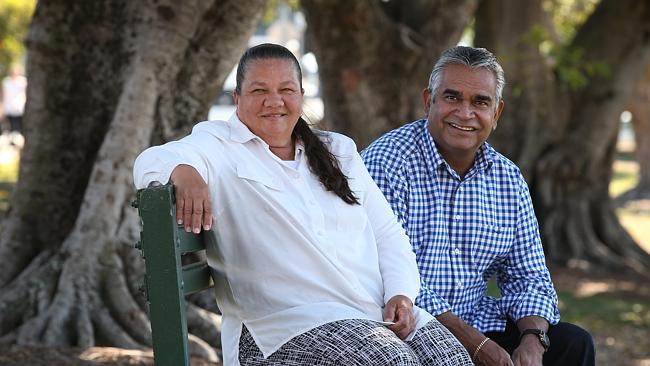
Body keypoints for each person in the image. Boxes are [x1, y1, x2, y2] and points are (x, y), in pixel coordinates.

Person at [134, 43, 472, 366]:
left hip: (367, 311)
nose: (274, 101)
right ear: (237, 98)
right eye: (258, 91)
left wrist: (401, 294)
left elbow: (387, 234)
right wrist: (184, 171)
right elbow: (151, 161)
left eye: (286, 90)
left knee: (451, 358)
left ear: (300, 96)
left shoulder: (337, 151)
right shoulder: (218, 145)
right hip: (278, 328)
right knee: (390, 360)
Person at [361, 46, 595, 366]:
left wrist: (533, 341)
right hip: (405, 324)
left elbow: (530, 277)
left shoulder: (507, 178)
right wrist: (474, 344)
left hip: (478, 320)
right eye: (452, 97)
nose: (465, 112)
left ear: (496, 113)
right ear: (429, 101)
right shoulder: (388, 161)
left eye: (480, 102)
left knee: (573, 344)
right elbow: (384, 271)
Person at [2, 64, 27, 134]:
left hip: (20, 107)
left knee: (20, 126)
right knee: (12, 127)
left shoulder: (23, 81)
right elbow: (4, 95)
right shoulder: (6, 82)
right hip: (9, 108)